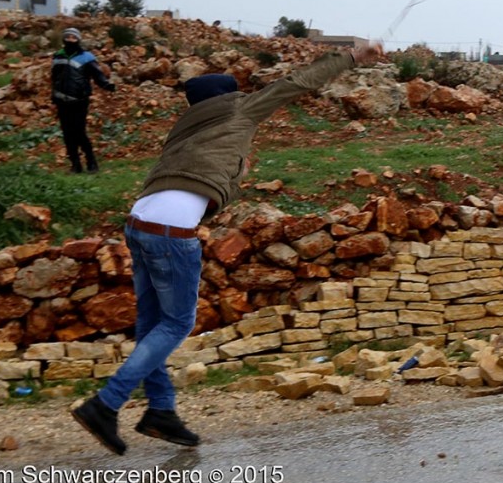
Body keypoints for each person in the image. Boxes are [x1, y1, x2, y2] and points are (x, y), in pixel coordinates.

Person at [71, 42, 385, 455]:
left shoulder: (188, 126)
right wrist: (352, 57)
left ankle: (161, 412)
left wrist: (235, 172)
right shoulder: (238, 110)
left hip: (139, 222)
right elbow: (295, 83)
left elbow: (204, 174)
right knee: (177, 323)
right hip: (171, 229)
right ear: (230, 96)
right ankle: (105, 405)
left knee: (153, 326)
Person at [51, 27, 116, 173]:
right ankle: (75, 164)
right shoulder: (57, 56)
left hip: (79, 100)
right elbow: (54, 78)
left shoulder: (86, 57)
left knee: (79, 132)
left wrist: (106, 85)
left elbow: (97, 75)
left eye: (73, 38)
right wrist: (54, 95)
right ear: (64, 39)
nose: (70, 40)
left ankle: (91, 162)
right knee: (67, 134)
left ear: (78, 40)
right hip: (62, 101)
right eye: (67, 37)